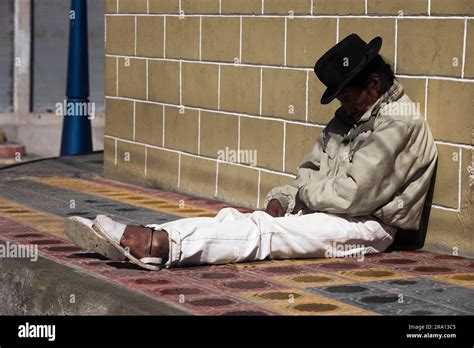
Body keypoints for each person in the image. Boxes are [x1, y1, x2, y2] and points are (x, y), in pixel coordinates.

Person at [66, 34, 438, 271]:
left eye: (346, 94)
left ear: (373, 84)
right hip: (334, 213)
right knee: (234, 218)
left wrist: (301, 197)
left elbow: (354, 195)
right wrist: (285, 197)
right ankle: (154, 237)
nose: (342, 104)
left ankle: (158, 245)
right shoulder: (347, 119)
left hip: (369, 227)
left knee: (266, 235)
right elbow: (308, 171)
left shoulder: (398, 123)